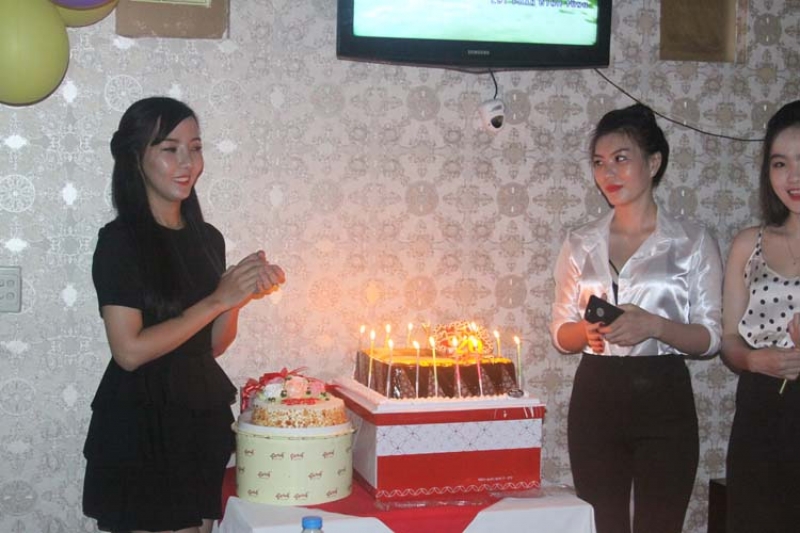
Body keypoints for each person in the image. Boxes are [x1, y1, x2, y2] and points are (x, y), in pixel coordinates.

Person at [82, 97, 286, 533]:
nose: (187, 163)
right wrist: (216, 299)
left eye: (195, 148)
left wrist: (236, 295)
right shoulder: (120, 242)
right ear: (136, 157)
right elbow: (129, 352)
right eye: (169, 148)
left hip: (198, 414)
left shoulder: (207, 238)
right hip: (141, 422)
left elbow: (211, 345)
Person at [550, 103, 723, 533]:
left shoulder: (692, 241)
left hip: (664, 395)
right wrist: (585, 332)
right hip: (596, 394)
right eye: (599, 162)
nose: (608, 172)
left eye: (621, 158)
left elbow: (711, 338)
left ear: (654, 163)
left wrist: (655, 326)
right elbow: (560, 333)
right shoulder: (580, 242)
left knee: (660, 525)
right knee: (604, 524)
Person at [721, 100, 800, 533]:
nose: (793, 177)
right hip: (760, 412)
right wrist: (753, 359)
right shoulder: (747, 243)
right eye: (780, 163)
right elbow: (729, 339)